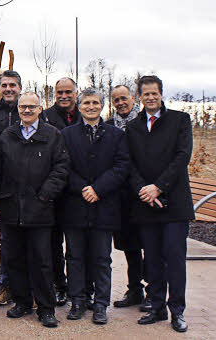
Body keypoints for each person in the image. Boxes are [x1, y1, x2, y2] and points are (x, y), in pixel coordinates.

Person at [0, 91, 69, 329]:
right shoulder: (8, 135)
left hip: (40, 209)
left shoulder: (53, 135)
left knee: (42, 260)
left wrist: (45, 194)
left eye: (31, 107)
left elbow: (61, 168)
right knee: (14, 259)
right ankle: (22, 302)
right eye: (23, 107)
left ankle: (46, 308)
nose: (26, 111)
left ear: (40, 109)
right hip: (10, 207)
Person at [126, 75, 193, 333]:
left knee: (174, 260)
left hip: (174, 204)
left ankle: (177, 311)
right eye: (146, 94)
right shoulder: (133, 128)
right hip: (145, 203)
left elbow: (181, 157)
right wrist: (144, 190)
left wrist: (159, 187)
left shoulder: (179, 121)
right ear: (140, 97)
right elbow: (129, 163)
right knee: (151, 259)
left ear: (161, 94)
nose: (151, 98)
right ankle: (156, 307)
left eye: (155, 93)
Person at [59, 89, 130, 325]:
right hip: (75, 206)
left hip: (104, 206)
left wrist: (98, 189)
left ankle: (100, 304)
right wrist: (83, 188)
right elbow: (62, 167)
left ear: (102, 106)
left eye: (96, 102)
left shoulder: (116, 135)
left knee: (101, 258)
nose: (91, 106)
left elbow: (121, 167)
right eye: (86, 103)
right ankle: (78, 300)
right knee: (75, 257)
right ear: (79, 107)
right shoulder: (67, 135)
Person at [109, 84, 150, 311]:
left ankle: (153, 290)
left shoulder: (145, 124)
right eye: (116, 100)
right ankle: (134, 289)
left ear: (133, 98)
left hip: (144, 192)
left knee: (150, 245)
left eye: (124, 98)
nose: (120, 103)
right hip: (121, 196)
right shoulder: (109, 126)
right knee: (130, 247)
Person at [41, 77, 78, 306]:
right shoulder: (45, 116)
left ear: (76, 92)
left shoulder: (87, 112)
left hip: (78, 192)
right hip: (53, 192)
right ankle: (59, 285)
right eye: (59, 92)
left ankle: (80, 289)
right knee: (53, 245)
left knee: (76, 247)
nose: (64, 96)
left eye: (68, 92)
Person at [0, 69, 22, 307]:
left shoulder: (29, 111)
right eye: (5, 85)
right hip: (5, 190)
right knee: (7, 244)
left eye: (13, 85)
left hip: (31, 190)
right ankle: (7, 286)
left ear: (19, 88)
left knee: (34, 244)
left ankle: (29, 289)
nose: (9, 89)